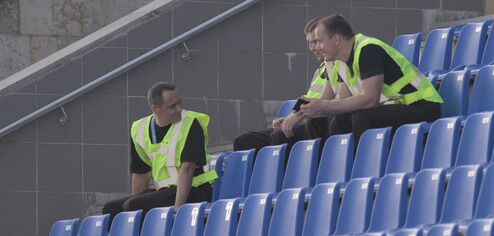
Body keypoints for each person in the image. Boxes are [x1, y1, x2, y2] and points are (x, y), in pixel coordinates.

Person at [299, 15, 443, 144]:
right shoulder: (340, 62)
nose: (315, 47)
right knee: (339, 120)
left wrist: (324, 106)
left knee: (362, 118)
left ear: (336, 39)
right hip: (395, 107)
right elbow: (342, 102)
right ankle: (341, 166)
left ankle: (366, 165)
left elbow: (369, 100)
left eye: (319, 41)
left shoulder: (368, 49)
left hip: (421, 107)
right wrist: (308, 111)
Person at [102, 82, 216, 217]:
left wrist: (178, 209)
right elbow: (140, 174)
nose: (179, 108)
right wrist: (131, 210)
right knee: (111, 209)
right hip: (164, 192)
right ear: (155, 109)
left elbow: (188, 168)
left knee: (134, 206)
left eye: (180, 103)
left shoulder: (191, 123)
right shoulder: (139, 129)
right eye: (172, 106)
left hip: (194, 189)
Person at [232, 16, 340, 152]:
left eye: (316, 42)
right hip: (307, 120)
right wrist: (289, 119)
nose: (313, 48)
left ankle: (286, 172)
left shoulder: (338, 63)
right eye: (310, 43)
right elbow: (311, 99)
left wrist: (296, 116)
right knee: (243, 141)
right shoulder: (323, 67)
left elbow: (325, 102)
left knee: (280, 135)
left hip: (319, 123)